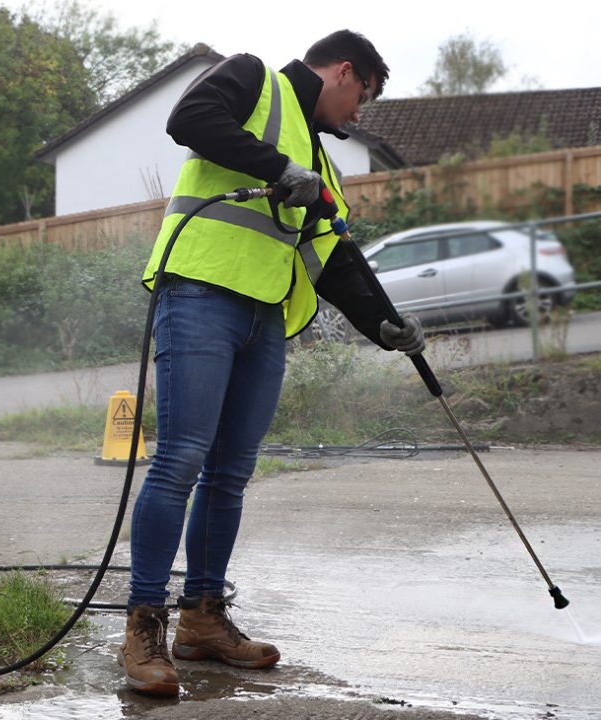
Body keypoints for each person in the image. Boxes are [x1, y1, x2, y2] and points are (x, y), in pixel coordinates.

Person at [117, 30, 426, 696]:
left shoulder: (323, 165)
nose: (358, 116)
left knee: (230, 472)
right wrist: (277, 169)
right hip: (200, 293)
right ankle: (144, 624)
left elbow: (335, 259)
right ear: (345, 71)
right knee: (181, 460)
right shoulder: (255, 78)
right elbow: (189, 121)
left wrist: (384, 325)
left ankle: (202, 619)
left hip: (264, 319)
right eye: (362, 98)